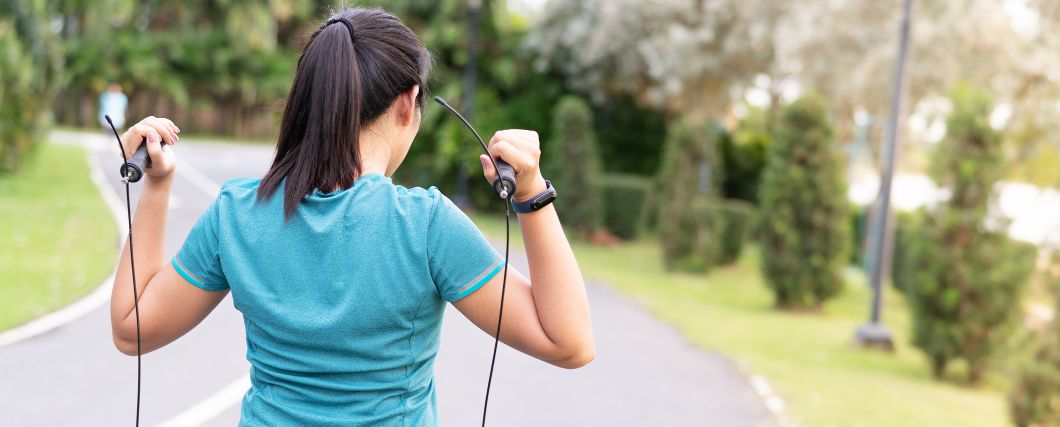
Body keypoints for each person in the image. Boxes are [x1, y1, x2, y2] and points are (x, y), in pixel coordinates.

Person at [108, 7, 594, 426]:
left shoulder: (236, 213)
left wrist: (156, 185)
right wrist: (531, 193)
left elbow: (132, 329)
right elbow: (569, 343)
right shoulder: (424, 226)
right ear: (408, 103)